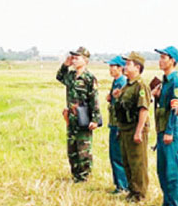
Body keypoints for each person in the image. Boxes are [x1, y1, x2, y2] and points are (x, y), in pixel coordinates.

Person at [55, 47, 100, 182]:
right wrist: (65, 65)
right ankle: (75, 175)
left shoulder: (89, 78)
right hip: (71, 118)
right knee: (72, 148)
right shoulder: (71, 76)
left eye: (77, 58)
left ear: (85, 60)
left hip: (84, 117)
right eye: (73, 57)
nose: (74, 60)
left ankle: (84, 176)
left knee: (84, 149)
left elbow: (94, 99)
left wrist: (95, 119)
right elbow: (59, 77)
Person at [151, 46, 178, 206]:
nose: (161, 60)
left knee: (173, 169)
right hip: (162, 129)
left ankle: (176, 205)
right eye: (161, 57)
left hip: (171, 130)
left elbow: (175, 109)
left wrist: (170, 131)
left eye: (165, 57)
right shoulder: (164, 81)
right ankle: (167, 203)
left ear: (173, 60)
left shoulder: (175, 82)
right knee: (162, 169)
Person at [115, 52, 151, 202]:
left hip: (135, 128)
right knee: (127, 161)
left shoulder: (140, 86)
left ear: (137, 67)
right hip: (125, 128)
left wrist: (139, 131)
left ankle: (139, 194)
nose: (125, 67)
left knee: (137, 163)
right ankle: (132, 190)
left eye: (128, 64)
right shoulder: (127, 86)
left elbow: (143, 109)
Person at [106, 56, 130, 194]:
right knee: (114, 155)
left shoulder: (122, 82)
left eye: (112, 66)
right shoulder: (115, 82)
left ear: (120, 68)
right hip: (114, 122)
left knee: (118, 155)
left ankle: (123, 185)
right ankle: (119, 183)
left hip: (119, 124)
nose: (110, 69)